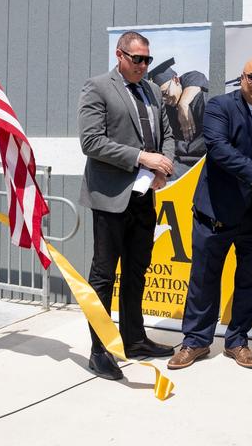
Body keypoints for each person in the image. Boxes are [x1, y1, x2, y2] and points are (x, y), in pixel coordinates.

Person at [168, 58, 252, 370]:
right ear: (242, 78)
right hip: (216, 211)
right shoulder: (219, 107)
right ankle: (196, 341)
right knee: (203, 280)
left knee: (250, 281)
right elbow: (218, 148)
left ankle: (237, 340)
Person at [77, 31, 176, 381]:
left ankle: (134, 339)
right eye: (138, 59)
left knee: (137, 270)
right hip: (110, 198)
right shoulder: (98, 86)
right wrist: (140, 158)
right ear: (120, 55)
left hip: (144, 196)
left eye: (147, 59)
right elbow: (91, 141)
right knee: (104, 276)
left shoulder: (151, 90)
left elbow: (168, 135)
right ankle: (99, 350)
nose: (144, 66)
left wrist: (163, 166)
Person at [148, 62, 209, 178]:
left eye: (165, 93)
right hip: (179, 160)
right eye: (160, 98)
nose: (165, 100)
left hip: (202, 160)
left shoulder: (201, 100)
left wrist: (183, 104)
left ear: (176, 80)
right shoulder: (166, 110)